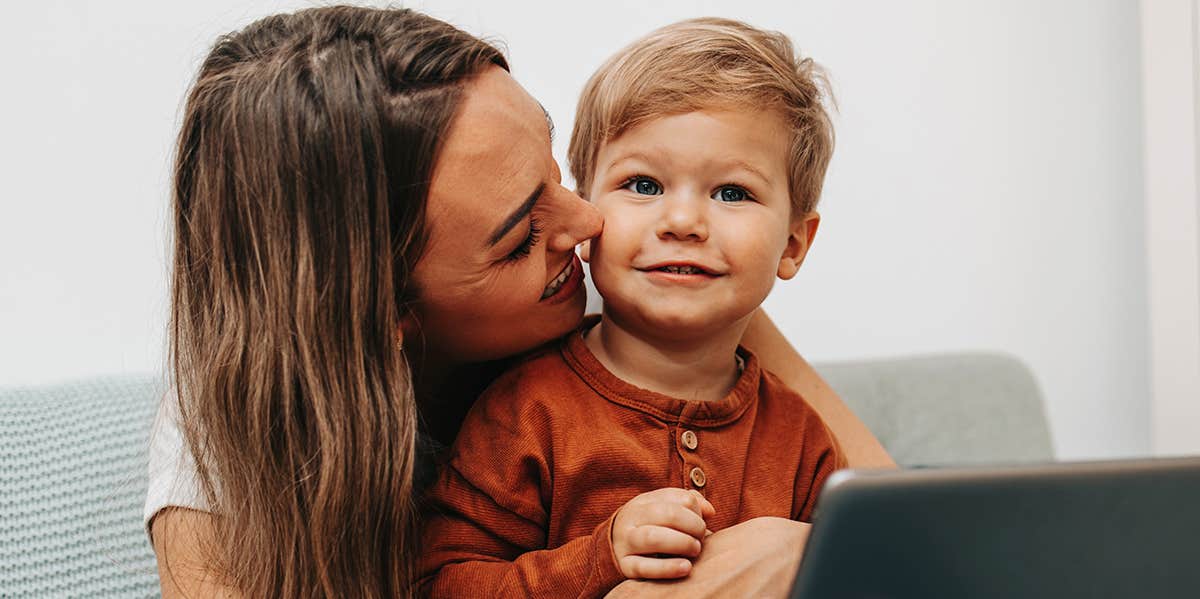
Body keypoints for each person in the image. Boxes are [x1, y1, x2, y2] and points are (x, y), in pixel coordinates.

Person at [148, 6, 894, 598]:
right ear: (387, 315)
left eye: (554, 171)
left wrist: (801, 551)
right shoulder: (232, 449)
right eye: (516, 237)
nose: (587, 224)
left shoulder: (703, 331)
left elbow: (911, 540)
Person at [417, 17, 847, 597]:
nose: (683, 222)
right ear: (586, 217)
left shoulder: (803, 438)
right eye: (644, 185)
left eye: (732, 193)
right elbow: (440, 586)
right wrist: (600, 558)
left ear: (793, 244)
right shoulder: (522, 412)